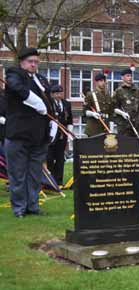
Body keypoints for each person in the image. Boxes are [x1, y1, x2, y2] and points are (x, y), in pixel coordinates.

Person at [4, 47, 57, 218]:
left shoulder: (41, 79)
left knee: (35, 175)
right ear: (22, 63)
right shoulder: (15, 74)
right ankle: (19, 208)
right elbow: (16, 87)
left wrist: (53, 122)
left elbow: (49, 102)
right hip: (18, 134)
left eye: (36, 62)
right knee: (18, 174)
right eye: (30, 62)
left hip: (39, 136)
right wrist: (34, 101)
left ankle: (33, 206)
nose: (34, 64)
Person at [46, 85, 73, 185]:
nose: (59, 95)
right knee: (49, 158)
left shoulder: (66, 104)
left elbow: (69, 119)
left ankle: (59, 181)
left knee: (60, 158)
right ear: (52, 94)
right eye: (56, 93)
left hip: (62, 135)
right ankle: (51, 180)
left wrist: (69, 134)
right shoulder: (49, 104)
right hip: (51, 136)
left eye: (60, 93)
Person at [112, 68, 139, 137]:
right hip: (124, 126)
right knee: (125, 146)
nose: (130, 77)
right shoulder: (118, 91)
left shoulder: (137, 91)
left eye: (130, 76)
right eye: (127, 76)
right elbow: (114, 107)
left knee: (136, 146)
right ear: (122, 77)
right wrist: (122, 113)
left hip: (136, 125)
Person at [83, 73, 115, 137]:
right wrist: (92, 114)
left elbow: (111, 113)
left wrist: (111, 127)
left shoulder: (108, 96)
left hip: (105, 127)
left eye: (103, 81)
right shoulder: (91, 95)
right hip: (93, 128)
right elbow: (84, 111)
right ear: (96, 82)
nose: (103, 83)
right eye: (100, 81)